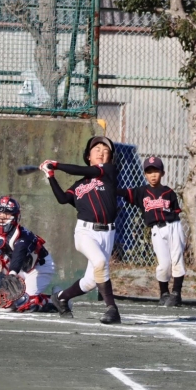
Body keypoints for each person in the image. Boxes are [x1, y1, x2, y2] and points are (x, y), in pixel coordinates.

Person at [40, 136, 121, 325]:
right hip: (85, 232)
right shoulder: (79, 186)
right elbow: (62, 198)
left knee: (91, 281)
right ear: (88, 156)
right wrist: (50, 176)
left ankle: (61, 297)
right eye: (97, 149)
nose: (101, 152)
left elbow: (85, 170)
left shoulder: (108, 171)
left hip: (108, 233)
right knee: (100, 262)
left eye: (106, 150)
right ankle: (112, 308)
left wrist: (57, 165)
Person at [117, 156, 186, 307]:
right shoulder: (141, 192)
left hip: (173, 226)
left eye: (156, 171)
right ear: (145, 174)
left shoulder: (169, 192)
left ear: (163, 173)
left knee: (177, 259)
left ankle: (176, 293)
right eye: (149, 172)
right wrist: (109, 188)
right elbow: (124, 193)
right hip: (156, 229)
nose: (153, 175)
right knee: (163, 264)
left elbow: (175, 211)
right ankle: (164, 293)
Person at [0, 195, 56, 313]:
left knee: (26, 304)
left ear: (15, 216)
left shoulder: (22, 236)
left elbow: (18, 255)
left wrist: (12, 274)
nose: (1, 216)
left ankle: (56, 299)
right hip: (19, 268)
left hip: (38, 268)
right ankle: (10, 293)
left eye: (6, 213)